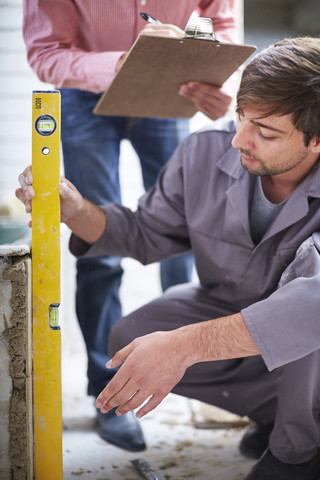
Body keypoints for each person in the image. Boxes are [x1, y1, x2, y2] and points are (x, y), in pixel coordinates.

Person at [18, 35, 320, 480]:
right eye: (240, 117)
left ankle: (300, 450)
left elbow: (310, 307)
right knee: (133, 337)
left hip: (309, 332)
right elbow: (145, 232)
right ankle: (283, 412)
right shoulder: (203, 152)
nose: (238, 139)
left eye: (266, 131)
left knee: (302, 320)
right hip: (237, 307)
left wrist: (186, 345)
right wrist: (77, 211)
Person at [22, 1, 239, 452]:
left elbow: (223, 30)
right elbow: (45, 54)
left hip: (171, 88)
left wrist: (218, 79)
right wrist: (122, 64)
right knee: (97, 243)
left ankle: (180, 367)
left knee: (183, 237)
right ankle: (109, 392)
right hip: (85, 94)